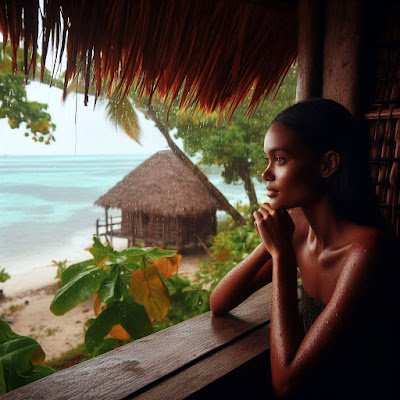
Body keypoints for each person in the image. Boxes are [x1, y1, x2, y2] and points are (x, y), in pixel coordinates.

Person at [210, 98, 399, 398]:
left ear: (327, 165)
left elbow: (286, 385)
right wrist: (271, 244)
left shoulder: (366, 251)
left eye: (280, 159)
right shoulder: (297, 229)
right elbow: (219, 302)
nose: (266, 174)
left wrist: (282, 256)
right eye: (267, 160)